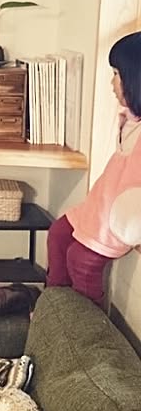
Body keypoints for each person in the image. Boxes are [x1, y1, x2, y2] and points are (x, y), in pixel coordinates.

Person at [47, 31, 141, 307]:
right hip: (99, 205)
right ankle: (54, 305)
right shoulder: (131, 119)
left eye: (117, 74)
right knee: (59, 233)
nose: (112, 83)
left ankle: (86, 318)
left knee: (82, 260)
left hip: (117, 216)